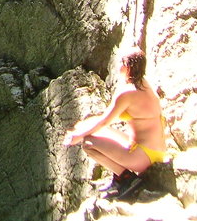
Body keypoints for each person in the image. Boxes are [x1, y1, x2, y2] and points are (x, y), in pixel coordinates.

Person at [63, 47, 167, 200]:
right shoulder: (144, 85)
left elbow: (105, 121)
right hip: (151, 150)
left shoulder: (127, 93)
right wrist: (81, 129)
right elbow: (103, 120)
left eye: (121, 62)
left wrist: (78, 136)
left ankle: (126, 179)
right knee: (87, 127)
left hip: (145, 156)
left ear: (127, 66)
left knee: (88, 143)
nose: (118, 65)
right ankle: (120, 178)